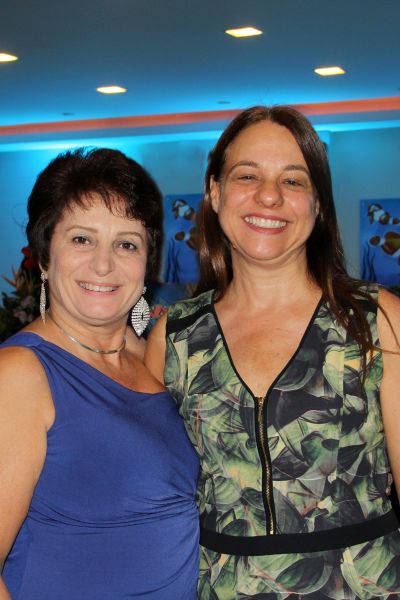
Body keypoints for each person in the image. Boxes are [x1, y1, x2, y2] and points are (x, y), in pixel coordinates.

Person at [145, 106, 400, 599]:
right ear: (215, 192)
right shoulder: (175, 337)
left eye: (293, 180)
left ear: (317, 203)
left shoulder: (374, 320)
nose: (269, 195)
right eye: (247, 175)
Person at [0, 148, 199, 600]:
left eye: (126, 244)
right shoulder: (19, 374)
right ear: (44, 258)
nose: (104, 264)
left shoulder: (152, 355)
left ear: (147, 264)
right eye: (81, 239)